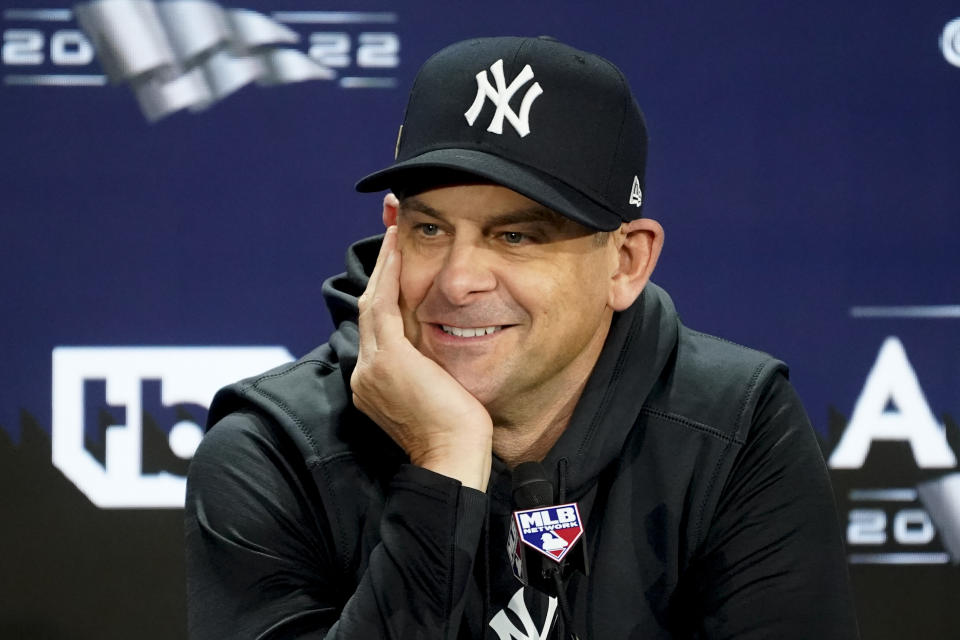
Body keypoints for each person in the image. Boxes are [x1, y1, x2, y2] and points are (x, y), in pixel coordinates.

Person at [185, 36, 859, 639]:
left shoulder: (731, 426)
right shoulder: (273, 450)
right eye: (429, 229)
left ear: (626, 262)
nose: (458, 281)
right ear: (390, 227)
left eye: (516, 236)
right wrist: (443, 463)